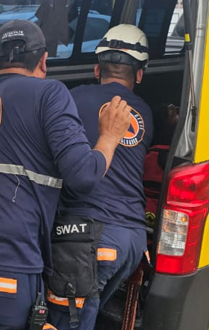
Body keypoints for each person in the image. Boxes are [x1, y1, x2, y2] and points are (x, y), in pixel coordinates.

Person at [0, 19, 133, 330]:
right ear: (44, 61)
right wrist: (110, 136)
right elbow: (84, 175)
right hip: (10, 262)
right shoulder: (50, 94)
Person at [48, 24, 154, 330]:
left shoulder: (70, 99)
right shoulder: (145, 112)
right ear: (139, 74)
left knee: (64, 323)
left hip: (88, 236)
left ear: (97, 68)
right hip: (132, 240)